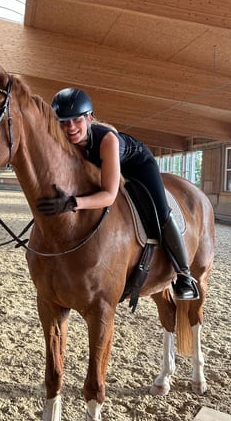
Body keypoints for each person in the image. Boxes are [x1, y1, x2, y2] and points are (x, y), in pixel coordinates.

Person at [36, 87, 199, 300]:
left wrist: (73, 202)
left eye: (76, 120)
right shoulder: (63, 139)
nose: (70, 127)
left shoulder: (107, 140)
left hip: (138, 165)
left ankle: (184, 274)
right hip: (104, 166)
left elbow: (109, 195)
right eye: (64, 122)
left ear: (89, 118)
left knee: (160, 211)